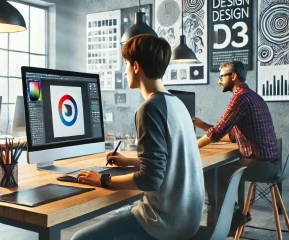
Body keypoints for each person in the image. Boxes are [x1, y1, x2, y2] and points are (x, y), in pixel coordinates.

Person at [71, 34, 205, 240]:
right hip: (189, 218)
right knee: (120, 213)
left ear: (136, 66)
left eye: (125, 64)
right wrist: (130, 161)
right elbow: (170, 160)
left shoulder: (150, 108)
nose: (124, 71)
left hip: (166, 223)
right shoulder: (177, 103)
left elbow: (150, 179)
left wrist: (102, 179)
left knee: (80, 238)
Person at [193, 61, 279, 234]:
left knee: (211, 170)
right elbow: (230, 135)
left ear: (233, 76)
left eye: (221, 76)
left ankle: (217, 227)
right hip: (270, 163)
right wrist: (203, 125)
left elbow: (217, 133)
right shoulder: (251, 96)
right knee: (233, 166)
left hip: (262, 166)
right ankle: (235, 215)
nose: (219, 81)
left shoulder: (240, 98)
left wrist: (191, 146)